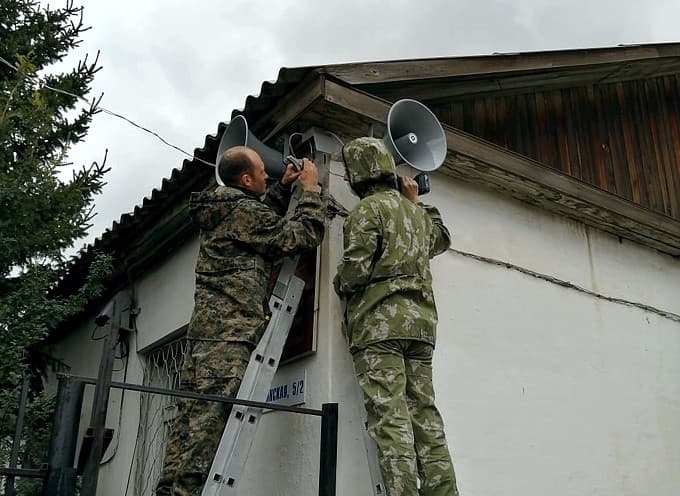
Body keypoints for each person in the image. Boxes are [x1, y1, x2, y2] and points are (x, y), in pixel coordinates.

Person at [156, 146, 325, 495]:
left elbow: (256, 231)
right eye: (263, 171)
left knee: (189, 425)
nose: (269, 174)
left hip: (206, 335)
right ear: (246, 179)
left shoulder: (225, 208)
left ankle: (169, 491)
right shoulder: (243, 211)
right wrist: (309, 191)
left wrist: (280, 191)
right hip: (229, 336)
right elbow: (300, 236)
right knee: (206, 432)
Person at [333, 137, 459, 496]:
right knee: (426, 418)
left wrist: (339, 282)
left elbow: (355, 271)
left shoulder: (366, 211)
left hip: (378, 328)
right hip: (420, 329)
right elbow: (442, 239)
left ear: (357, 174)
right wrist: (417, 203)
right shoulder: (416, 213)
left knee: (391, 421)